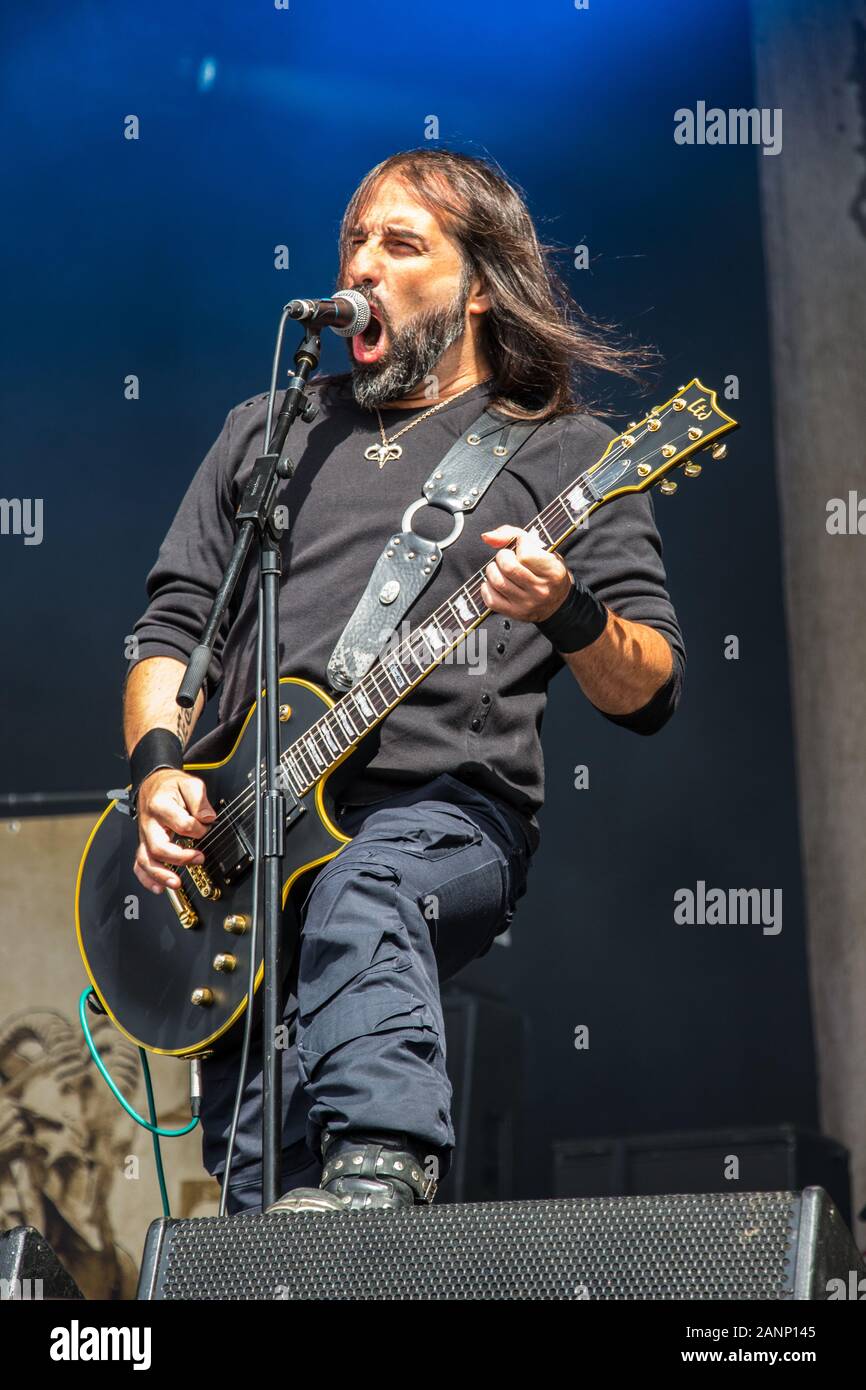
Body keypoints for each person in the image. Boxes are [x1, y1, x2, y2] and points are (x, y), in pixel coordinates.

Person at [123, 148, 685, 1215]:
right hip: (251, 845)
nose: (363, 265)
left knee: (363, 887)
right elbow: (171, 630)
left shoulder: (568, 450)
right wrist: (158, 774)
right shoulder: (265, 432)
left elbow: (647, 688)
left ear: (479, 285)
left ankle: (383, 1165)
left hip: (442, 817)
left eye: (401, 243)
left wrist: (561, 607)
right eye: (354, 239)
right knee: (261, 1192)